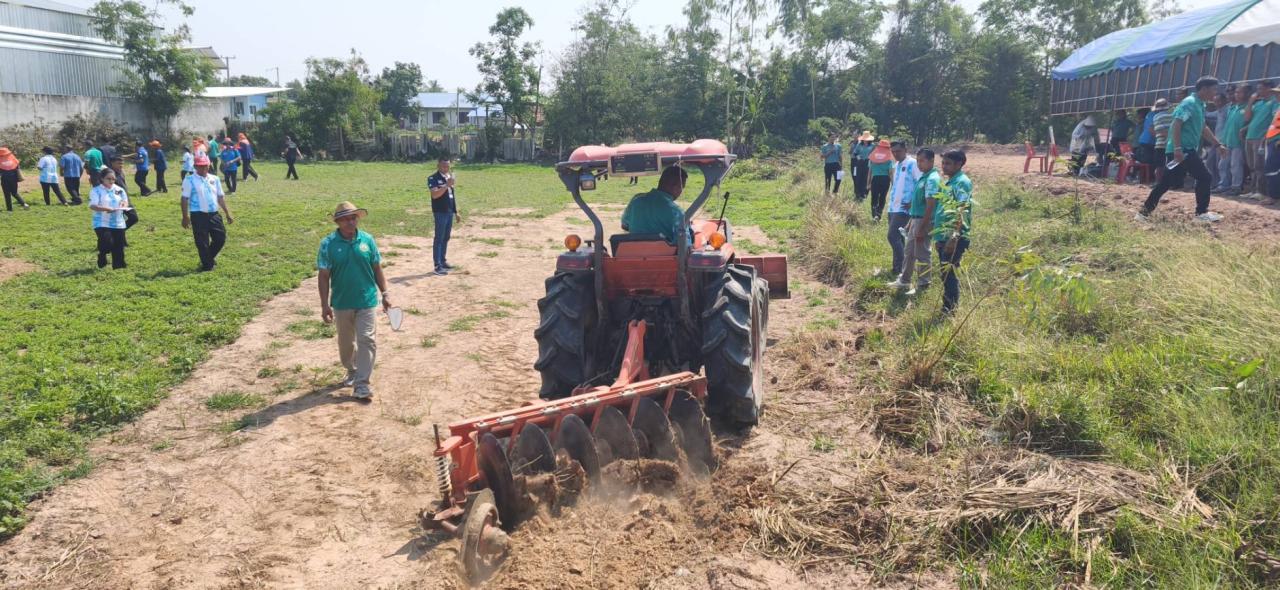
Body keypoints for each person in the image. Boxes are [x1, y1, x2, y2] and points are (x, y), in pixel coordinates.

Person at [317, 201, 393, 400]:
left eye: (354, 218)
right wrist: (325, 304)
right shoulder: (327, 244)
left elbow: (377, 268)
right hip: (341, 302)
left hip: (367, 299)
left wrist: (385, 293)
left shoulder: (367, 240)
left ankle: (362, 384)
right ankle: (351, 369)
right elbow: (324, 276)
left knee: (367, 339)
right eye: (346, 219)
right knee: (346, 343)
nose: (351, 222)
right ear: (338, 222)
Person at [1137, 76, 1227, 223]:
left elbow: (1203, 127)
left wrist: (1217, 144)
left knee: (1166, 182)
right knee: (1204, 177)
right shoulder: (1190, 103)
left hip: (1183, 149)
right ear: (1204, 89)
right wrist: (1178, 149)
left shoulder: (1200, 105)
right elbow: (1177, 123)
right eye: (1214, 89)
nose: (1215, 93)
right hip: (1183, 150)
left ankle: (1143, 213)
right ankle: (1201, 213)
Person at [889, 148, 939, 294]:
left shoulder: (932, 179)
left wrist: (922, 227)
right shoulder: (923, 177)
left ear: (931, 161)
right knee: (909, 251)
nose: (919, 164)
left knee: (922, 253)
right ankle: (904, 280)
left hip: (924, 221)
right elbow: (918, 203)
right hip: (916, 219)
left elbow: (930, 205)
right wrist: (911, 221)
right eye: (917, 161)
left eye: (922, 161)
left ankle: (923, 285)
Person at [934, 150, 973, 314]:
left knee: (947, 272)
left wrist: (953, 237)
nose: (944, 166)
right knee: (945, 271)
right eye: (943, 163)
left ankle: (949, 308)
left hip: (954, 236)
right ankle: (949, 305)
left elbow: (961, 210)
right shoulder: (949, 182)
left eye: (948, 163)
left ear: (959, 164)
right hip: (944, 235)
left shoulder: (962, 183)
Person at [181, 154, 235, 271]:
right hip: (198, 215)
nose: (204, 168)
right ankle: (207, 266)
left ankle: (208, 258)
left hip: (214, 214)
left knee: (220, 238)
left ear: (209, 165)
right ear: (195, 166)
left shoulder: (214, 179)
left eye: (205, 166)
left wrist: (227, 213)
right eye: (200, 166)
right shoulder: (189, 180)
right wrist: (185, 217)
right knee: (202, 242)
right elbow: (184, 198)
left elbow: (220, 197)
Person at [621, 164, 689, 246]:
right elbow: (684, 245)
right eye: (682, 187)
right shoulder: (677, 212)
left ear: (660, 181)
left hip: (633, 256)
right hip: (664, 258)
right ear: (676, 187)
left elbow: (624, 226)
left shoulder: (636, 200)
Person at [885, 141, 921, 279]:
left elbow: (919, 183)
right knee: (899, 237)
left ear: (906, 149)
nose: (895, 154)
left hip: (904, 208)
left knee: (892, 236)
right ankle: (897, 268)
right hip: (893, 206)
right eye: (893, 151)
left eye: (898, 151)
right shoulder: (897, 165)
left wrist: (913, 202)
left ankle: (904, 269)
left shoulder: (912, 163)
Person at [1242, 80, 1277, 199]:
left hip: (1260, 138)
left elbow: (1274, 122)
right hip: (1250, 137)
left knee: (1259, 165)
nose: (1258, 91)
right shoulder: (1258, 103)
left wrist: (1265, 136)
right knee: (1251, 165)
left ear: (1269, 89)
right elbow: (1247, 118)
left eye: (1261, 89)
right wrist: (1251, 102)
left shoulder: (1274, 102)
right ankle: (1253, 190)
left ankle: (1261, 191)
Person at [427, 157, 463, 275]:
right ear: (438, 166)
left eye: (448, 166)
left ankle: (443, 261)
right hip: (440, 212)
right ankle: (437, 266)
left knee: (446, 237)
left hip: (449, 212)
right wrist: (446, 185)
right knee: (439, 238)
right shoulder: (433, 178)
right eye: (443, 166)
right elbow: (435, 195)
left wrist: (456, 212)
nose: (446, 168)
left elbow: (452, 196)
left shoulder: (449, 178)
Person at [89, 168, 130, 269]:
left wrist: (123, 204)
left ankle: (118, 267)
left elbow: (125, 201)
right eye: (109, 179)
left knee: (119, 246)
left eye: (113, 179)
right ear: (102, 179)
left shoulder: (119, 190)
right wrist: (105, 208)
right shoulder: (96, 190)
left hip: (118, 222)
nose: (111, 181)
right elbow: (93, 206)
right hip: (102, 222)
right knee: (107, 243)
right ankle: (102, 255)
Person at [1216, 84, 1249, 195]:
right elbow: (1227, 126)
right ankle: (1224, 185)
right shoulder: (1232, 107)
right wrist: (1222, 141)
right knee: (1223, 165)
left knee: (1236, 165)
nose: (1237, 94)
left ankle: (1236, 187)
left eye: (1240, 92)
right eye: (1236, 92)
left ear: (1246, 94)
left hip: (1238, 142)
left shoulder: (1248, 107)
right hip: (1227, 141)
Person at [868, 139, 893, 221]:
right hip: (885, 179)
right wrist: (893, 184)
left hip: (875, 179)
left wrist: (868, 183)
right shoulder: (889, 160)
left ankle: (874, 214)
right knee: (882, 197)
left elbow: (870, 172)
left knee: (874, 197)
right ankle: (878, 215)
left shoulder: (873, 158)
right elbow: (890, 173)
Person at [1151, 98, 1174, 179]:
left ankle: (1158, 182)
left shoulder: (1156, 117)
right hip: (1172, 144)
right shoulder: (1173, 115)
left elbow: (1161, 130)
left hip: (1161, 144)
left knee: (1159, 166)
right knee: (1171, 165)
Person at [0, 147, 28, 211]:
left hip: (5, 179)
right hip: (14, 179)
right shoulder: (12, 157)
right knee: (14, 192)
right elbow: (17, 166)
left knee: (7, 194)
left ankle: (10, 209)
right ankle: (24, 204)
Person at [1262, 105, 1280, 206]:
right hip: (1272, 140)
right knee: (1272, 169)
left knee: (1272, 170)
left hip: (1277, 142)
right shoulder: (1278, 107)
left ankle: (1273, 196)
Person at [850, 130, 874, 202]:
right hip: (860, 162)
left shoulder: (872, 146)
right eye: (864, 139)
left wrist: (870, 158)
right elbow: (855, 153)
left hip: (868, 162)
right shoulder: (859, 145)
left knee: (866, 178)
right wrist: (858, 157)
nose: (865, 141)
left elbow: (874, 154)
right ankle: (858, 194)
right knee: (858, 178)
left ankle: (864, 194)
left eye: (867, 139)